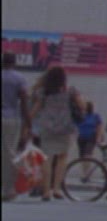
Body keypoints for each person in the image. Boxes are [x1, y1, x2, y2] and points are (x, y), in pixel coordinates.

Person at [28, 66, 80, 201]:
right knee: (62, 157)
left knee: (47, 158)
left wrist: (27, 123)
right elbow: (83, 106)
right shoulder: (70, 91)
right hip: (65, 127)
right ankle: (56, 189)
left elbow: (34, 110)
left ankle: (46, 191)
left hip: (47, 127)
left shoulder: (43, 92)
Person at [2, 64, 26, 203]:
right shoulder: (19, 78)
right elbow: (23, 99)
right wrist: (28, 121)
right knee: (9, 153)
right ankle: (8, 190)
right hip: (10, 118)